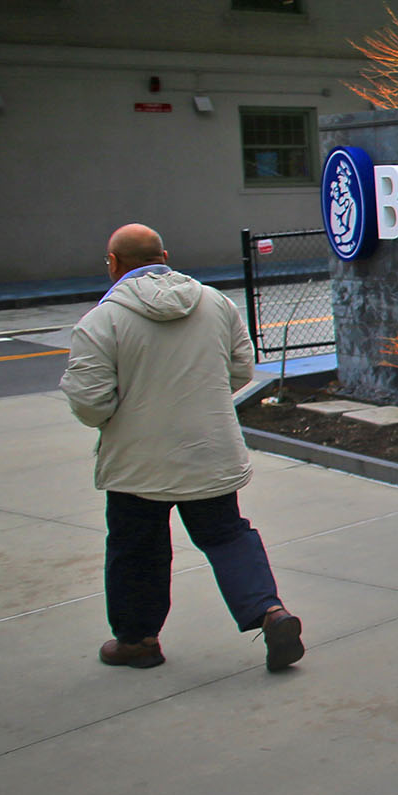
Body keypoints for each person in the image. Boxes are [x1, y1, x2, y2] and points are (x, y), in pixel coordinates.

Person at [60, 224, 303, 672]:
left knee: (137, 547)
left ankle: (138, 641)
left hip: (138, 462)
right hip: (208, 449)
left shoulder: (100, 321)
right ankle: (271, 613)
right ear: (165, 255)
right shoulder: (216, 303)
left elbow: (91, 403)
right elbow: (240, 369)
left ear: (112, 263)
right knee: (227, 534)